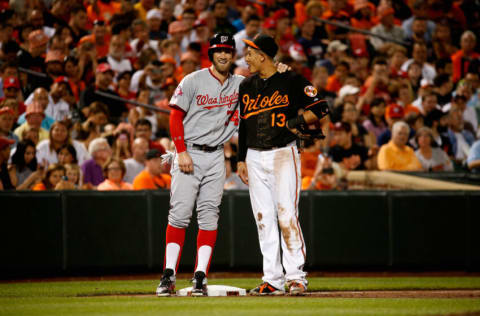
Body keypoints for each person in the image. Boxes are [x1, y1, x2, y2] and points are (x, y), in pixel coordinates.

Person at [237, 34, 329, 296]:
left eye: (251, 53)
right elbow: (244, 124)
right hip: (254, 156)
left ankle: (296, 277)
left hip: (283, 154)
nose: (247, 57)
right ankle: (272, 279)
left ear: (263, 55)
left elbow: (320, 108)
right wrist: (240, 159)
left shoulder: (291, 79)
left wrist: (293, 124)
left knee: (287, 214)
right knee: (263, 218)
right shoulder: (246, 85)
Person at [156, 33, 245, 297]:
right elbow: (175, 116)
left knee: (209, 216)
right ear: (211, 53)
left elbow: (267, 84)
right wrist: (180, 151)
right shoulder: (193, 79)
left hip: (216, 155)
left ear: (233, 54)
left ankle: (200, 277)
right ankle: (168, 275)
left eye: (228, 50)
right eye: (218, 50)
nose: (223, 55)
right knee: (180, 215)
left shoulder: (241, 84)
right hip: (190, 153)